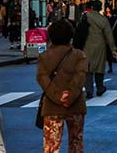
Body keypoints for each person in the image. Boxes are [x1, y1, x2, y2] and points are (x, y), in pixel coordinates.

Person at [37, 19, 87, 153]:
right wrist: (69, 96)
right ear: (70, 36)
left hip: (52, 106)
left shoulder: (44, 56)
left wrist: (58, 96)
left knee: (51, 146)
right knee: (76, 142)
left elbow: (43, 79)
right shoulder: (79, 55)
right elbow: (80, 78)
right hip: (75, 104)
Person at [77, 0, 116, 99]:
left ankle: (89, 91)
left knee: (88, 69)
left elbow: (79, 29)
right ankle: (100, 87)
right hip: (100, 46)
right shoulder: (103, 20)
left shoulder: (86, 16)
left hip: (87, 45)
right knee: (99, 68)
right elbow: (109, 35)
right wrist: (113, 49)